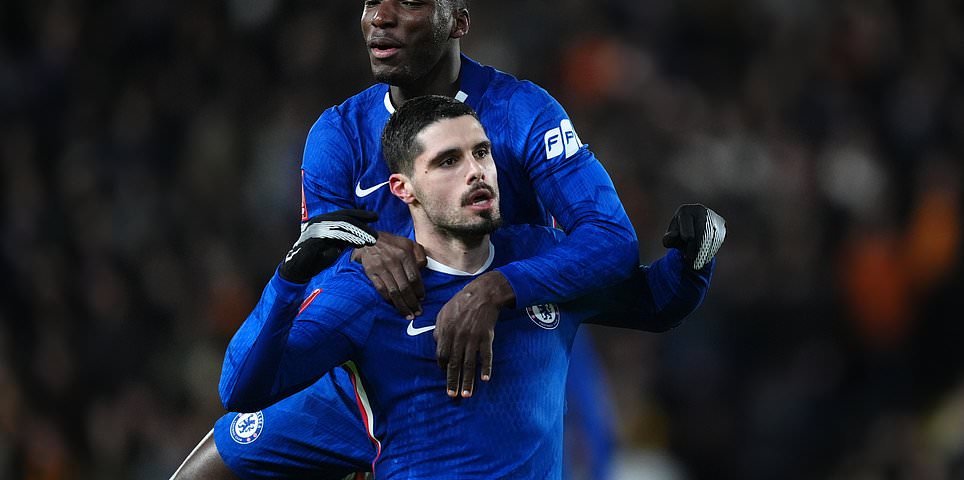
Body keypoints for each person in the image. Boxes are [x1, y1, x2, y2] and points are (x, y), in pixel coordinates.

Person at [169, 0, 675, 477]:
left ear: (457, 21)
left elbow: (610, 239)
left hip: (502, 349)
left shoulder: (520, 111)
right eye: (371, 2)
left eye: (410, 2)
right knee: (215, 460)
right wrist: (361, 249)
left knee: (586, 446)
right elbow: (320, 268)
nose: (381, 17)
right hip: (374, 367)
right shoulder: (339, 133)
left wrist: (495, 288)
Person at [218, 95, 723, 479]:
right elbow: (242, 390)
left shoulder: (543, 257)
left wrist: (694, 258)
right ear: (403, 189)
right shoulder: (371, 293)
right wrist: (288, 281)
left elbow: (656, 303)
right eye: (448, 161)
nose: (476, 171)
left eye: (481, 152)